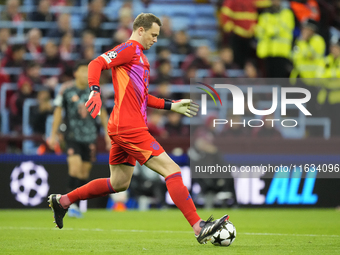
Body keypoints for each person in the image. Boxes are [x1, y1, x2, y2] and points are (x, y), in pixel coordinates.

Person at [48, 13, 229, 244]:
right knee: (172, 170)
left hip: (124, 125)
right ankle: (198, 226)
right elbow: (97, 63)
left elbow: (142, 97)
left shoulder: (141, 59)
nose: (155, 39)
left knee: (118, 183)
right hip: (128, 126)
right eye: (153, 34)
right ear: (140, 30)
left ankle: (63, 201)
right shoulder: (129, 49)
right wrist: (95, 89)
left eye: (158, 36)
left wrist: (172, 105)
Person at [48, 60, 111, 218]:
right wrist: (53, 134)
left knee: (84, 173)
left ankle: (74, 204)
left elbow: (102, 113)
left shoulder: (94, 90)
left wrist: (107, 134)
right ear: (76, 73)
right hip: (72, 136)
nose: (86, 74)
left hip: (90, 137)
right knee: (74, 168)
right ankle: (66, 204)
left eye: (88, 71)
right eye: (83, 71)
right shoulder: (66, 90)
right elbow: (58, 112)